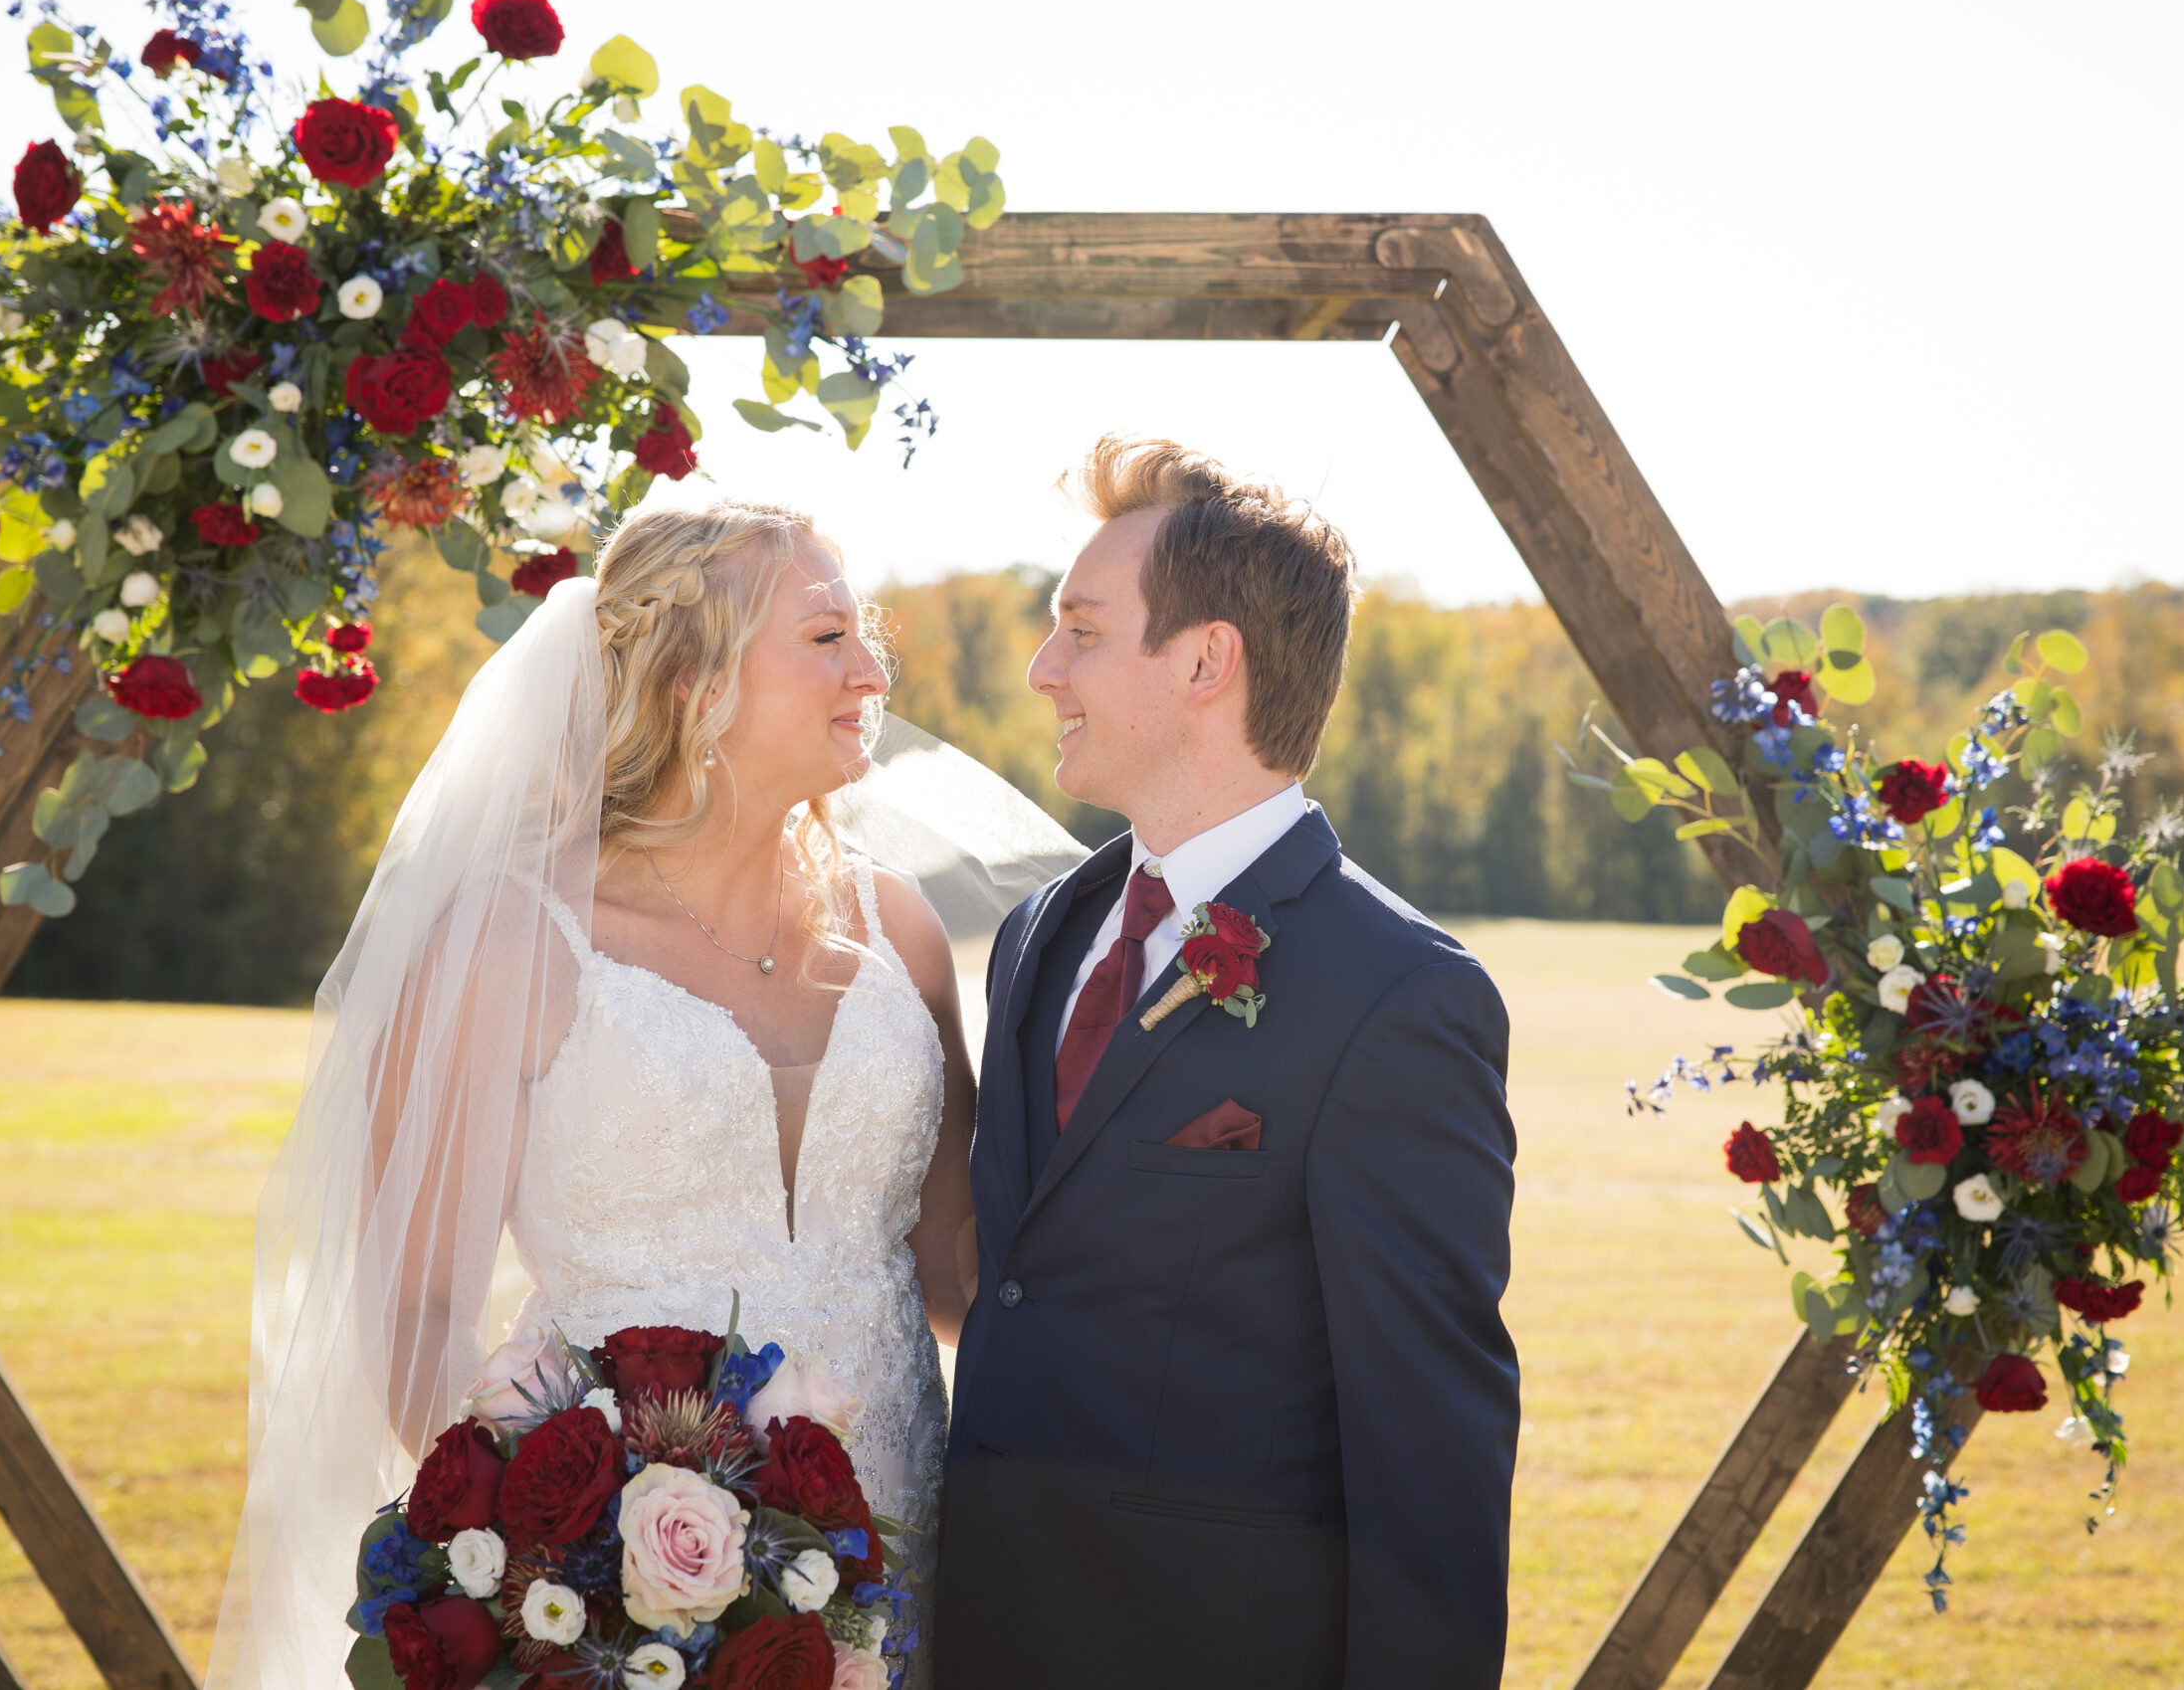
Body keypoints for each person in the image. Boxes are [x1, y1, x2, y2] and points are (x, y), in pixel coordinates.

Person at [210, 502, 980, 1688]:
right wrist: (566, 1574)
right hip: (622, 1622)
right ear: (693, 681)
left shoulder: (904, 939)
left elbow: (964, 1279)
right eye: (827, 638)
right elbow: (411, 1313)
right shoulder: (511, 944)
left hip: (910, 1583)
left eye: (862, 636)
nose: (872, 672)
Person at [936, 437, 1521, 1689]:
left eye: (1081, 631)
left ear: (1206, 660)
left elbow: (1431, 1452)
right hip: (981, 1632)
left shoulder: (1402, 999)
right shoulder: (1044, 935)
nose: (1043, 671)